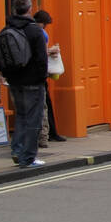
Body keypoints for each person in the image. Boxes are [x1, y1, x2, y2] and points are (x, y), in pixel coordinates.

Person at [0, 0, 48, 169]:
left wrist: (9, 75)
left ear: (14, 10)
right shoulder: (34, 30)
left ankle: (17, 151)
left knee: (21, 116)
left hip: (15, 81)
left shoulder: (6, 29)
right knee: (34, 119)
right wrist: (42, 79)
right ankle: (28, 158)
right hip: (33, 82)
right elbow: (42, 59)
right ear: (29, 9)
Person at [34, 10, 66, 142]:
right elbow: (38, 53)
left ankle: (50, 132)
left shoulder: (36, 31)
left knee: (45, 104)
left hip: (40, 72)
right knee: (44, 105)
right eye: (45, 24)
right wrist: (51, 51)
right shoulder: (37, 32)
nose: (45, 27)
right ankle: (46, 135)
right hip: (38, 74)